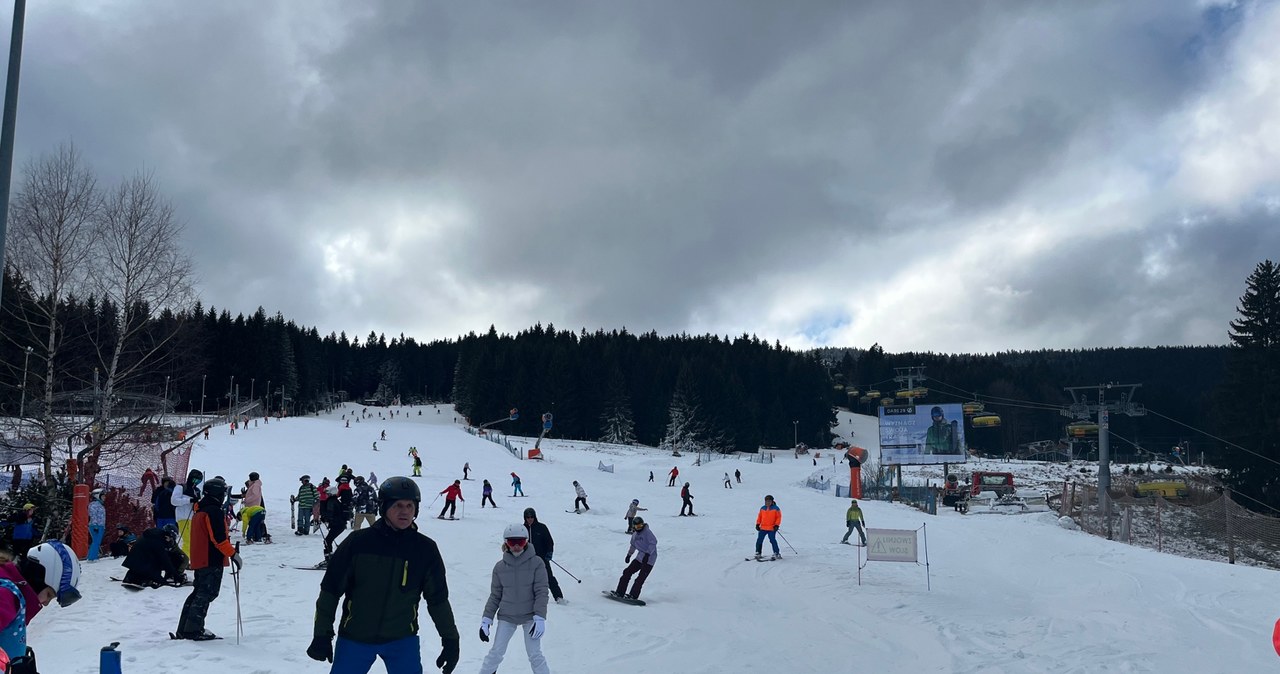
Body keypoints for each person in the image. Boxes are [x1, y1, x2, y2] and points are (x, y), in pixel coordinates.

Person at [308, 476, 461, 674]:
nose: (405, 511)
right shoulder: (358, 543)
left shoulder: (425, 549)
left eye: (410, 505)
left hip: (402, 639)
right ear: (384, 507)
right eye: (397, 505)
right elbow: (330, 591)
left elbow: (438, 599)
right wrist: (322, 634)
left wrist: (450, 640)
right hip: (355, 638)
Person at [477, 523, 551, 674]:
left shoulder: (537, 563)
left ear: (526, 542)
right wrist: (486, 619)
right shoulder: (500, 567)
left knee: (535, 654)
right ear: (506, 543)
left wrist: (539, 617)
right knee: (496, 652)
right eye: (512, 542)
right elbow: (495, 595)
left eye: (521, 542)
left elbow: (541, 591)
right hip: (507, 616)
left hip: (530, 616)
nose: (516, 546)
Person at [174, 477, 242, 640]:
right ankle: (193, 630)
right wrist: (233, 554)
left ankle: (185, 628)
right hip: (210, 558)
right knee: (206, 593)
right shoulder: (213, 511)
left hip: (201, 558)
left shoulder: (201, 510)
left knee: (199, 592)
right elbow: (218, 538)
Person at [0, 540, 81, 672]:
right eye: (49, 594)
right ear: (38, 577)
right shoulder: (6, 595)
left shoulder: (11, 594)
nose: (46, 603)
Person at [522, 508, 564, 605]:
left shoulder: (541, 527)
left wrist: (549, 553)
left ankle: (558, 597)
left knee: (549, 577)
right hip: (527, 559)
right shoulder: (522, 529)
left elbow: (549, 542)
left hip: (542, 558)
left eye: (531, 517)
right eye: (527, 517)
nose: (530, 519)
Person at [613, 516, 657, 600]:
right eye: (637, 526)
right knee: (627, 572)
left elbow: (653, 543)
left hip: (649, 560)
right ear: (634, 526)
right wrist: (629, 555)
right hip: (640, 558)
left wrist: (648, 554)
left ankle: (633, 595)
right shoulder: (635, 535)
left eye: (640, 526)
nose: (639, 528)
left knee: (640, 578)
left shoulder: (647, 532)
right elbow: (633, 545)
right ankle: (620, 592)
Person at [172, 469, 203, 556]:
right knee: (188, 540)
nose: (196, 482)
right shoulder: (181, 487)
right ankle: (185, 560)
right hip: (182, 517)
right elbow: (174, 501)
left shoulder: (196, 491)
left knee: (193, 540)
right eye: (195, 480)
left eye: (199, 481)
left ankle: (189, 558)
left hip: (193, 518)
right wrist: (189, 500)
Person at [322, 484, 353, 558]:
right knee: (328, 540)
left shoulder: (331, 501)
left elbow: (330, 512)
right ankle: (330, 557)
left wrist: (324, 518)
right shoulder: (336, 500)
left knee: (327, 541)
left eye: (327, 493)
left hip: (337, 524)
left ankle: (329, 558)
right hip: (340, 524)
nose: (326, 495)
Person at [754, 495, 782, 560]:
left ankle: (776, 553)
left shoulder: (776, 508)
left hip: (772, 528)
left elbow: (779, 517)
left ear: (772, 501)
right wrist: (758, 524)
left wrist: (776, 525)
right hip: (763, 528)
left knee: (772, 540)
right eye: (766, 501)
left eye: (769, 501)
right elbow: (759, 517)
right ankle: (758, 552)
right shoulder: (762, 508)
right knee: (759, 540)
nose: (767, 503)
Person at [88, 489, 107, 561]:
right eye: (103, 496)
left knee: (96, 542)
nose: (105, 497)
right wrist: (95, 525)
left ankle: (91, 556)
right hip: (96, 526)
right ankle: (92, 558)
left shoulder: (100, 505)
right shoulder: (94, 505)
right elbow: (93, 515)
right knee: (96, 541)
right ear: (97, 496)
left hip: (100, 525)